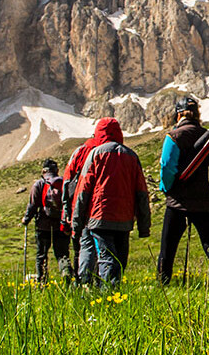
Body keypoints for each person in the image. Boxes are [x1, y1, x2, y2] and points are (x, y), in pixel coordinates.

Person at [69, 117, 151, 288]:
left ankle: (107, 297)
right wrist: (144, 225)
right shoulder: (131, 156)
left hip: (100, 218)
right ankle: (112, 294)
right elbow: (142, 193)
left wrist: (76, 223)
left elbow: (83, 191)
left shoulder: (95, 154)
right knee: (120, 260)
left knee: (107, 259)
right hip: (124, 220)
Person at [157, 96, 209, 286]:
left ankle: (163, 285)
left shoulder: (173, 137)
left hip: (178, 203)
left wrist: (166, 188)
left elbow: (167, 167)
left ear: (178, 115)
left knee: (168, 247)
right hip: (207, 202)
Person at [61, 117, 119, 284]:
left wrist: (67, 211)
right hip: (105, 208)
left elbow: (67, 181)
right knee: (106, 248)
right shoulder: (117, 151)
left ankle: (84, 282)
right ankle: (104, 282)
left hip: (82, 206)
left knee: (84, 245)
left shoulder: (82, 151)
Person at [22, 158, 69, 284]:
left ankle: (42, 281)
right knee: (62, 253)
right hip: (60, 225)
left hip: (43, 226)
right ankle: (66, 272)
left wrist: (26, 219)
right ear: (56, 170)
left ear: (44, 170)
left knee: (41, 255)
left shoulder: (39, 184)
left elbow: (32, 205)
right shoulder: (63, 183)